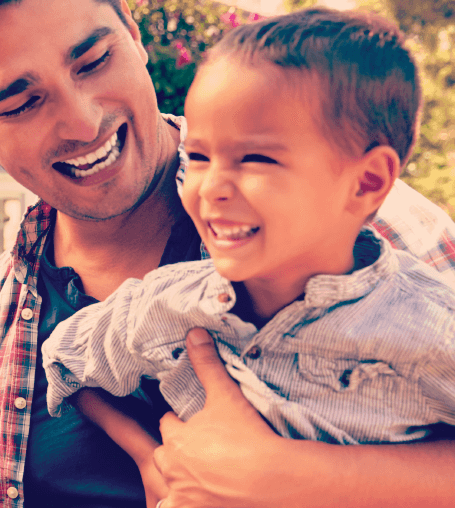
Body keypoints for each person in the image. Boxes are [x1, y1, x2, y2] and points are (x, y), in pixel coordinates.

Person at [0, 0, 455, 507]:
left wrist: (288, 475)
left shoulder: (369, 222)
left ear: (133, 32)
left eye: (94, 61)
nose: (84, 122)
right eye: (23, 104)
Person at [42, 7, 455, 447]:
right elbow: (64, 361)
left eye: (256, 159)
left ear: (365, 184)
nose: (211, 188)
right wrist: (149, 456)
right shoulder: (163, 305)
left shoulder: (432, 330)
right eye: (198, 157)